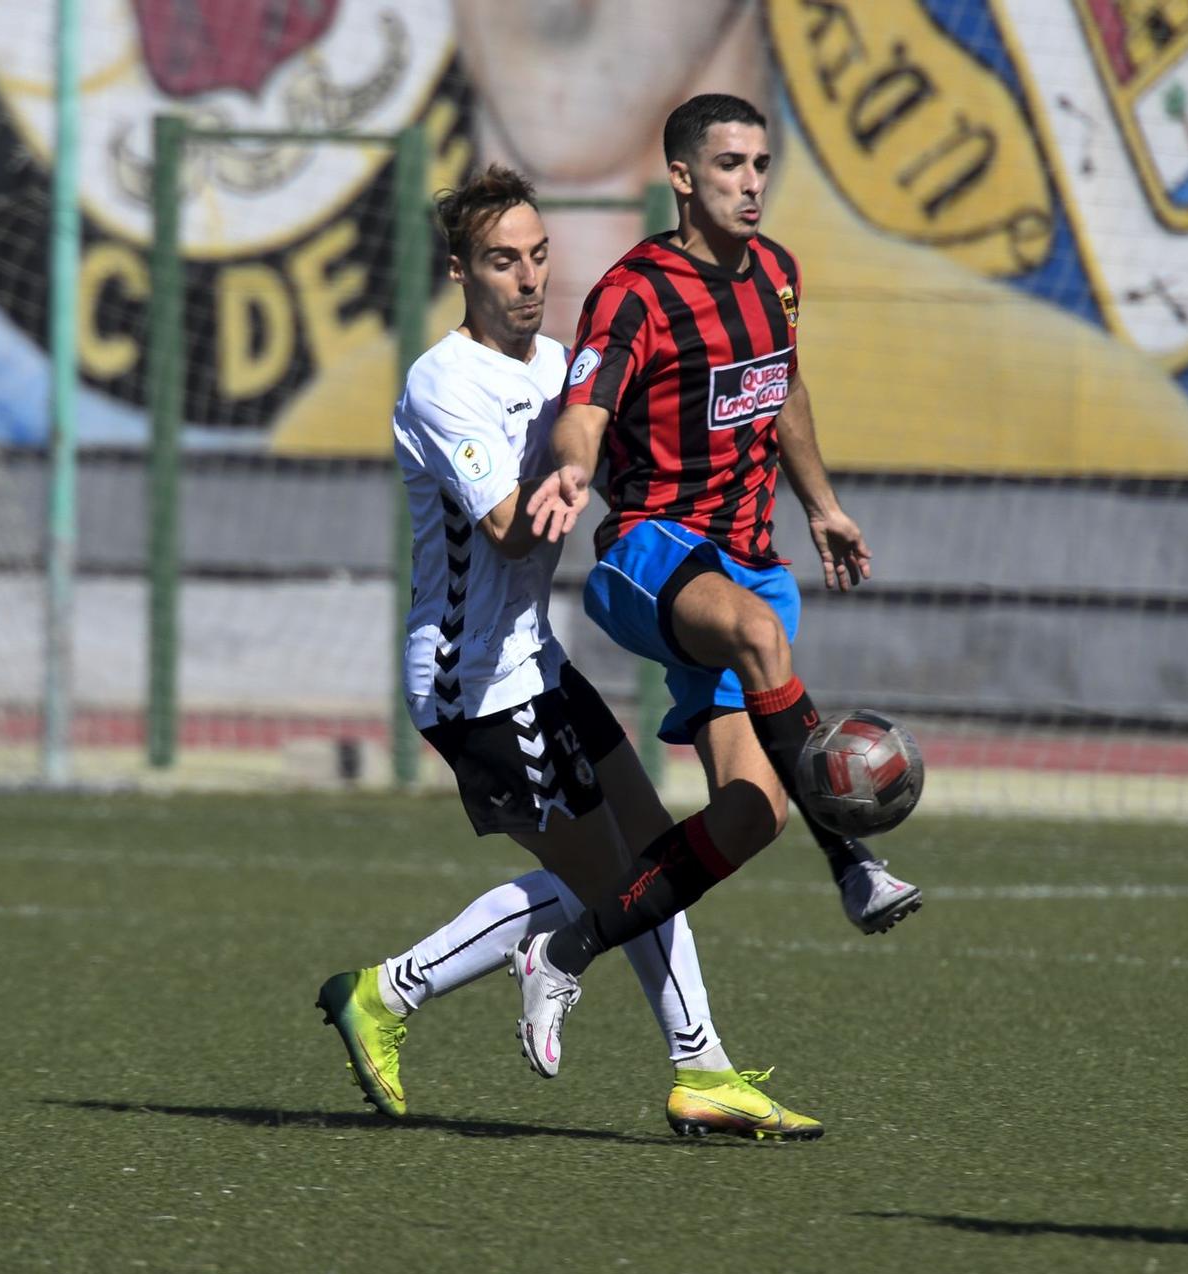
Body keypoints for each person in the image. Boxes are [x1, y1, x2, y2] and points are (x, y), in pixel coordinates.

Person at [314, 165, 820, 1141]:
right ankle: (385, 992)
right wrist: (567, 473)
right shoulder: (441, 381)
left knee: (659, 855)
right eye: (502, 260)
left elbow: (631, 452)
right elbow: (508, 528)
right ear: (460, 270)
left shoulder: (559, 365)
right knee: (610, 879)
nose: (528, 277)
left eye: (539, 255)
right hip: (470, 684)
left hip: (535, 662)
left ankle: (701, 1069)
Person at [506, 92, 921, 1077]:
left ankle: (561, 951)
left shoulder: (776, 274)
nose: (750, 183)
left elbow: (785, 386)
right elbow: (586, 405)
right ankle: (852, 861)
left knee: (749, 813)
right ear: (683, 177)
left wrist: (820, 503)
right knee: (756, 635)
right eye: (730, 165)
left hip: (750, 566)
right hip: (647, 554)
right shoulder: (635, 291)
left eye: (760, 165)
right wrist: (570, 466)